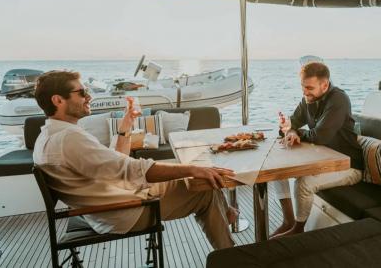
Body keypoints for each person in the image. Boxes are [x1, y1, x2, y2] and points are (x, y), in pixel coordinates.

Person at [32, 70, 235, 249]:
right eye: (82, 92)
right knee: (204, 188)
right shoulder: (69, 138)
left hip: (112, 200)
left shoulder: (50, 134)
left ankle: (225, 215)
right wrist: (192, 169)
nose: (89, 97)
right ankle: (230, 257)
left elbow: (115, 164)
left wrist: (126, 124)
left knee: (195, 175)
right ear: (58, 100)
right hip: (123, 211)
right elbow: (130, 169)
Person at [271, 62, 363, 238]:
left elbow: (320, 136)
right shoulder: (308, 98)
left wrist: (297, 132)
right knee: (278, 170)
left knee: (303, 183)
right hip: (323, 159)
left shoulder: (339, 100)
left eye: (309, 87)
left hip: (348, 165)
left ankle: (298, 230)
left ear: (325, 85)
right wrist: (289, 130)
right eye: (302, 87)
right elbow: (293, 122)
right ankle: (288, 220)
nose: (304, 92)